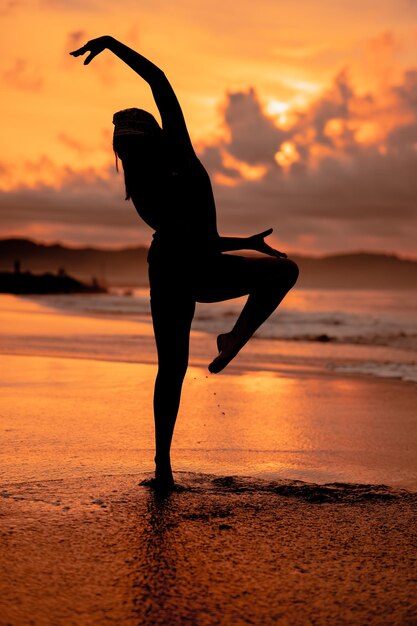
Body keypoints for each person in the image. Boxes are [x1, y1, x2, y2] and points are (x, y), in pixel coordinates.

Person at [70, 36, 299, 489]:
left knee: (170, 369)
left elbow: (190, 236)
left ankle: (163, 469)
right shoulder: (170, 158)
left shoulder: (146, 181)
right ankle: (232, 338)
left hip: (173, 267)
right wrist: (113, 45)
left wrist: (242, 241)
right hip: (191, 267)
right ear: (140, 142)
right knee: (284, 273)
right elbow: (161, 82)